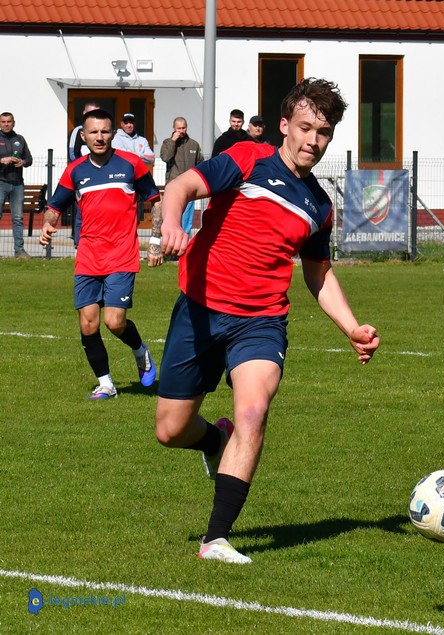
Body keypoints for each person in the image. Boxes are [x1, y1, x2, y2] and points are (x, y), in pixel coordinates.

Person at [152, 78, 379, 564]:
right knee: (170, 430)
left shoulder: (319, 205)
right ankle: (215, 439)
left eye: (323, 132)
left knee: (253, 411)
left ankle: (216, 539)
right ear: (284, 125)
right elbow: (183, 185)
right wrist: (171, 221)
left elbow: (318, 273)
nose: (313, 141)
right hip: (200, 308)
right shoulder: (248, 159)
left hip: (261, 320)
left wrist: (352, 327)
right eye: (305, 128)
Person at [39, 109, 160, 399]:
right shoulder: (75, 170)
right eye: (93, 132)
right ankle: (106, 384)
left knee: (114, 322)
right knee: (88, 324)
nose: (100, 137)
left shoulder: (131, 164)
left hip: (122, 254)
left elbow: (155, 201)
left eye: (105, 131)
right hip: (88, 256)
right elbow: (55, 206)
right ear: (83, 136)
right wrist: (47, 224)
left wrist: (155, 241)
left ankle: (139, 350)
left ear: (113, 134)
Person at [155, 116, 204, 244]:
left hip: (190, 187)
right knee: (173, 219)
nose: (181, 131)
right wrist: (173, 141)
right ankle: (171, 246)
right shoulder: (167, 143)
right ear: (174, 128)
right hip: (173, 188)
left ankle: (184, 246)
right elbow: (166, 157)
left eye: (183, 128)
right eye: (179, 128)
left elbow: (200, 163)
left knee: (186, 221)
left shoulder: (193, 144)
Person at [0, 112, 33, 258]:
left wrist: (23, 162)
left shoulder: (20, 139)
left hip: (18, 184)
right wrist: (2, 160)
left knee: (18, 218)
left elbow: (29, 158)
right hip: (1, 183)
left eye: (9, 121)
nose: (6, 124)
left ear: (14, 123)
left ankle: (19, 251)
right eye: (3, 122)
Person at [68, 102, 100, 247]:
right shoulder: (78, 131)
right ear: (84, 113)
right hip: (84, 178)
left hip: (100, 176)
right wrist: (84, 171)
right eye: (90, 112)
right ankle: (79, 244)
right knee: (82, 211)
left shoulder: (102, 131)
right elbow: (72, 154)